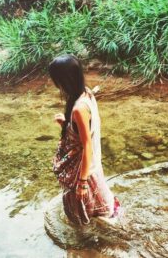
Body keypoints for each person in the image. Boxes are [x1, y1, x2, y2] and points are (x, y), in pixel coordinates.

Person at [48, 54, 120, 225]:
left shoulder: (79, 109)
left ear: (64, 80)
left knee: (79, 216)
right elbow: (86, 132)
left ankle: (88, 247)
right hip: (92, 167)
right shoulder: (86, 93)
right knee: (101, 207)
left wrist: (81, 182)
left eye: (56, 80)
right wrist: (67, 124)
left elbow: (87, 145)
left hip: (84, 170)